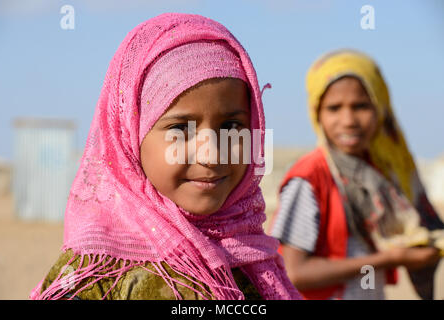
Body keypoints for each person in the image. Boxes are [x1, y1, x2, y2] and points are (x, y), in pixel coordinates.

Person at [30, 13, 301, 300]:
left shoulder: (257, 257)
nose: (211, 155)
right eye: (181, 129)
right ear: (129, 136)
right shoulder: (96, 278)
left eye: (231, 127)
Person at [270, 49, 444, 300]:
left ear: (382, 108)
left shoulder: (383, 174)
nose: (348, 120)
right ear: (316, 113)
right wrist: (389, 259)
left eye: (361, 106)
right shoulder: (310, 177)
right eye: (334, 108)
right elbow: (294, 272)